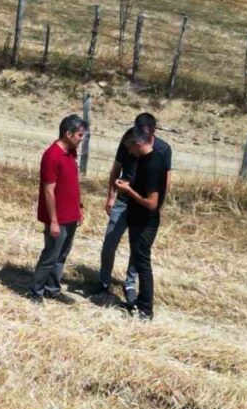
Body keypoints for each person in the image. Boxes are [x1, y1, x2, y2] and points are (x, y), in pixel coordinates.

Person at [95, 112, 172, 300]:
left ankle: (130, 283)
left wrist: (158, 206)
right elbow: (116, 169)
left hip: (144, 204)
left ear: (152, 131)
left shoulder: (163, 149)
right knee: (110, 241)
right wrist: (111, 197)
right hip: (123, 201)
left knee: (137, 247)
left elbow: (166, 181)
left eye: (143, 132)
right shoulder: (128, 139)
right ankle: (103, 281)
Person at [29, 115, 86, 305]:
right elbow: (49, 191)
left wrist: (79, 207)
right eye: (79, 135)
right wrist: (53, 221)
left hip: (71, 214)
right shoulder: (52, 156)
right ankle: (36, 291)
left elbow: (73, 183)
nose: (81, 138)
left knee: (62, 255)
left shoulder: (71, 153)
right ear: (68, 134)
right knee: (51, 255)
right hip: (57, 218)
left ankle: (52, 289)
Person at [114, 125, 169, 320]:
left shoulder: (152, 165)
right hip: (137, 218)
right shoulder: (147, 160)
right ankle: (139, 302)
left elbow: (152, 203)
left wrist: (129, 192)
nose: (129, 152)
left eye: (130, 148)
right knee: (139, 260)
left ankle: (146, 309)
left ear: (138, 144)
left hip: (146, 222)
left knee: (143, 264)